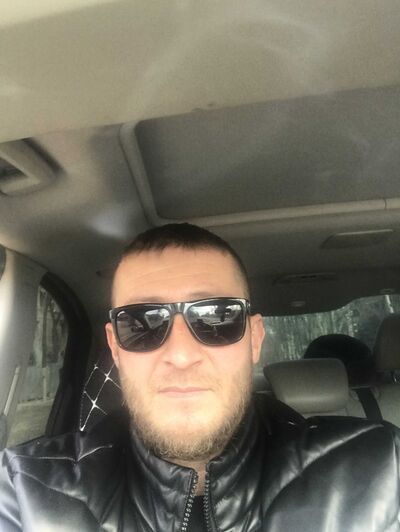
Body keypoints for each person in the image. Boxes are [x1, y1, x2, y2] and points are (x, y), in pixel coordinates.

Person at [0, 223, 400, 531]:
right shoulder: (23, 489)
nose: (180, 354)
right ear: (116, 348)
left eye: (216, 318)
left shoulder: (383, 468)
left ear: (254, 340)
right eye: (141, 323)